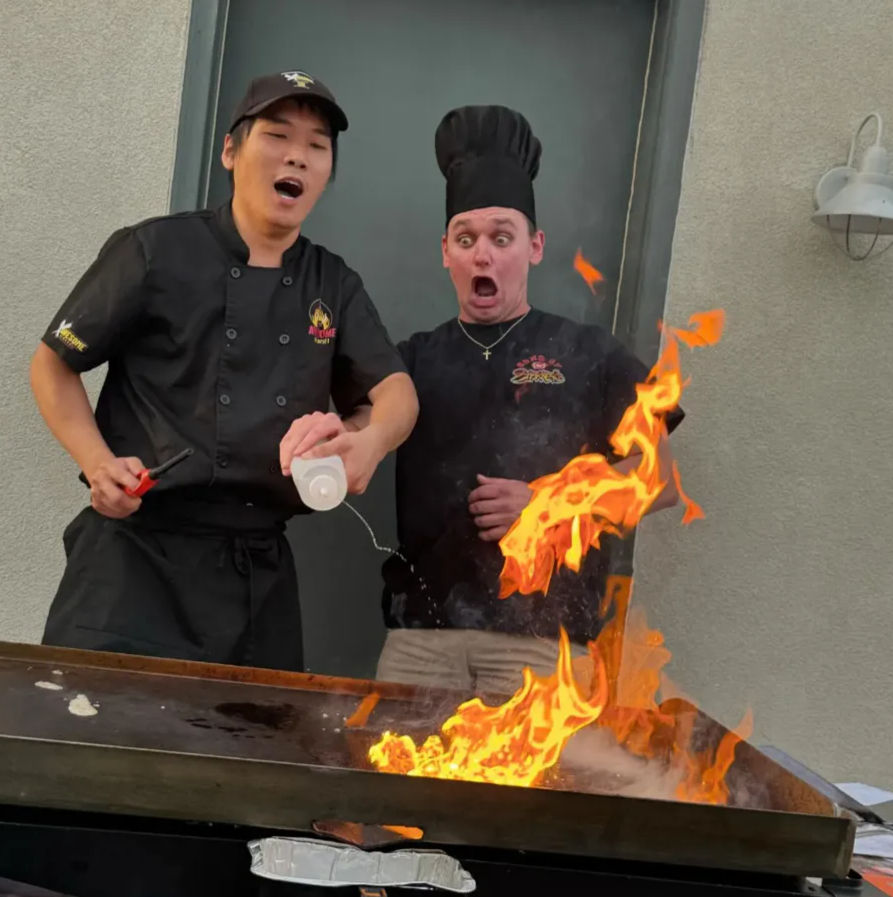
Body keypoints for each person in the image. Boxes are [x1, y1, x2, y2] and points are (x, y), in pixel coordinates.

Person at [30, 70, 417, 671]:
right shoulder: (155, 252)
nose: (298, 155)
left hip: (255, 575)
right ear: (231, 151)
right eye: (278, 135)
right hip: (135, 562)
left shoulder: (331, 284)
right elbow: (54, 364)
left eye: (317, 146)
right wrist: (97, 462)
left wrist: (369, 441)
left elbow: (395, 391)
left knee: (249, 756)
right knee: (101, 746)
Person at [376, 105, 678, 696]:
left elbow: (661, 480)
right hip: (419, 646)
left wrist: (551, 504)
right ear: (445, 252)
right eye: (466, 239)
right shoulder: (409, 360)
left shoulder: (590, 353)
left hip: (544, 649)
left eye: (501, 238)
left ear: (535, 246)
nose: (482, 254)